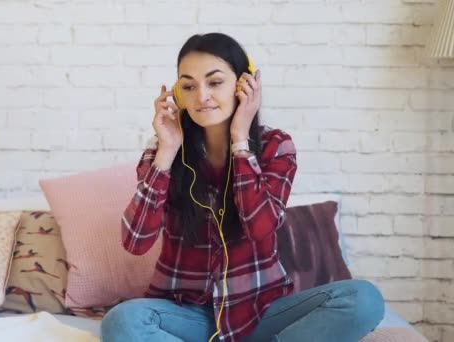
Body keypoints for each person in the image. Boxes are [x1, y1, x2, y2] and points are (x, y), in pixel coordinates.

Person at [100, 32, 385, 342]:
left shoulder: (276, 146)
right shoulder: (163, 152)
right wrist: (167, 152)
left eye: (215, 82)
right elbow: (135, 241)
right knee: (122, 321)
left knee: (363, 299)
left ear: (243, 85)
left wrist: (240, 140)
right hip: (187, 314)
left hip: (262, 312)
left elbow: (260, 227)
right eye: (189, 86)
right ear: (178, 96)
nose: (202, 96)